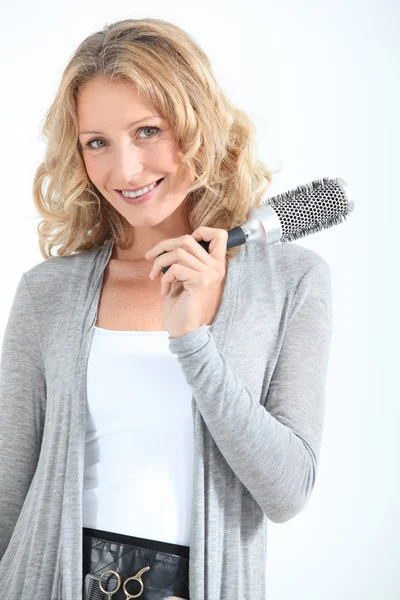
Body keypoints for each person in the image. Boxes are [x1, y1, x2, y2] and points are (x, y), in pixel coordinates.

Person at [0, 17, 333, 600]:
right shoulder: (46, 294)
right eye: (96, 142)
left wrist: (194, 340)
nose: (124, 170)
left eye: (148, 131)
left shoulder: (293, 282)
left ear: (197, 126)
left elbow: (287, 492)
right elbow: (7, 490)